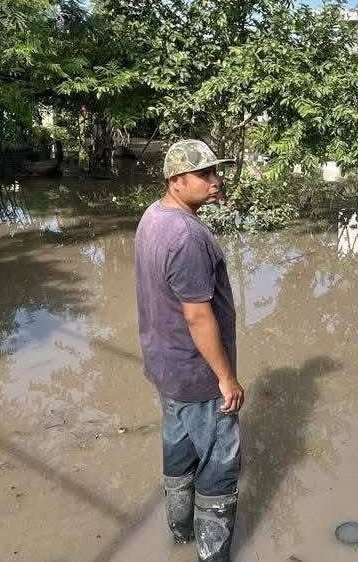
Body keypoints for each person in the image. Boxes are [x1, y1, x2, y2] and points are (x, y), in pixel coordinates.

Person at [135, 139, 243, 561]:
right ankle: (212, 555)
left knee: (178, 450)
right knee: (220, 463)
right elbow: (198, 316)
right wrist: (226, 377)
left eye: (216, 173)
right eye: (205, 175)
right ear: (176, 181)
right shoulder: (186, 235)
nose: (215, 182)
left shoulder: (153, 217)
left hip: (165, 368)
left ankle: (179, 535)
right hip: (197, 374)